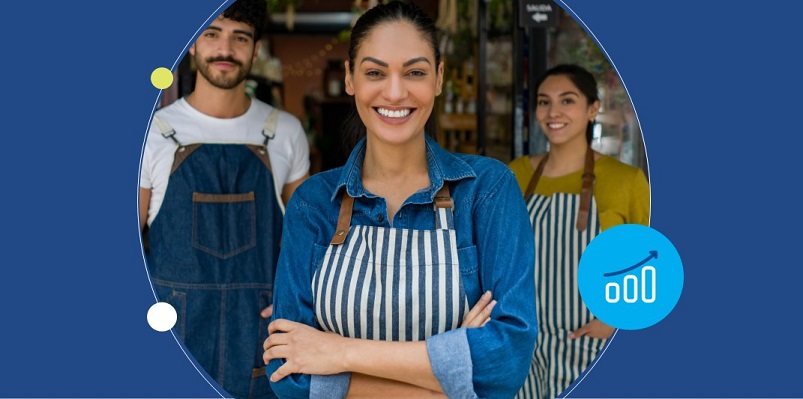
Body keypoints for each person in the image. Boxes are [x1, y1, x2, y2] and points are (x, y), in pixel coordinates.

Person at [262, 2, 537, 398]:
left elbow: (507, 362)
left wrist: (338, 352)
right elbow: (288, 375)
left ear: (439, 78)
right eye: (375, 72)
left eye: (415, 72)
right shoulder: (313, 203)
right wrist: (447, 381)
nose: (394, 91)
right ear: (350, 78)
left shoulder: (487, 190)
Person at [138, 0, 310, 397]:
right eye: (212, 33)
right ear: (192, 45)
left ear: (255, 48)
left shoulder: (284, 132)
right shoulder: (153, 134)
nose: (225, 49)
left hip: (261, 334)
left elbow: (307, 245)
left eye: (240, 37)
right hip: (173, 330)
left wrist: (297, 303)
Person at [508, 64, 650, 399]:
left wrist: (616, 322)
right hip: (523, 345)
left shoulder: (626, 180)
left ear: (592, 109)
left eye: (567, 101)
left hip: (588, 346)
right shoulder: (514, 174)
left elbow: (651, 269)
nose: (553, 112)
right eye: (544, 102)